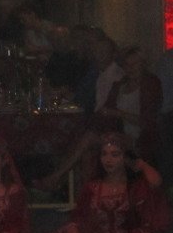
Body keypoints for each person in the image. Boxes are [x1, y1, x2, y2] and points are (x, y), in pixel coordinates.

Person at [41, 132, 169, 233]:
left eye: (115, 155)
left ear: (125, 158)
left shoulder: (134, 187)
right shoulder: (92, 188)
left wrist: (141, 164)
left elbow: (155, 182)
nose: (108, 160)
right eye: (104, 154)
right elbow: (73, 224)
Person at [35, 46, 162, 190]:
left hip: (138, 137)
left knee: (89, 138)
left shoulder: (151, 85)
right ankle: (86, 195)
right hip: (116, 132)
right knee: (87, 151)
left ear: (143, 64)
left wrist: (118, 114)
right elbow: (105, 111)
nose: (130, 68)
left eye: (135, 64)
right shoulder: (119, 85)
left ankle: (56, 178)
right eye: (127, 64)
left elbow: (147, 121)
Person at [155, 26, 173, 189]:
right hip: (170, 117)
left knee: (169, 159)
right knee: (169, 159)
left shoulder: (167, 60)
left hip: (169, 115)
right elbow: (163, 94)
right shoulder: (168, 61)